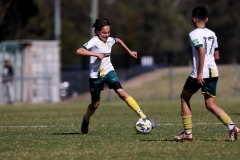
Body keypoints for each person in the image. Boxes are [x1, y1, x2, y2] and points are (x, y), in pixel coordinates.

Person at [76, 18, 156, 134]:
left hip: (109, 72)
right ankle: (86, 119)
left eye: (108, 32)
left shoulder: (110, 40)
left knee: (122, 93)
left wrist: (129, 51)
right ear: (97, 31)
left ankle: (143, 117)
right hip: (95, 77)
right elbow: (79, 51)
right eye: (104, 32)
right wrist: (95, 53)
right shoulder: (94, 41)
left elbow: (117, 40)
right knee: (95, 104)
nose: (107, 35)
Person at [173, 6, 240, 142]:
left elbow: (201, 51)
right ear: (207, 19)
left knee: (184, 98)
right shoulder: (212, 34)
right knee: (210, 105)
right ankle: (233, 127)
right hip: (214, 72)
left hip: (200, 73)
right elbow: (217, 55)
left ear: (193, 19)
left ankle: (188, 133)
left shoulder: (193, 34)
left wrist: (199, 73)